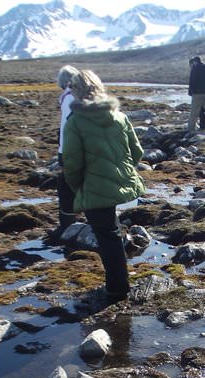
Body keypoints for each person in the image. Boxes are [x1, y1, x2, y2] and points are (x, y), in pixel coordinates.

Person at [62, 69, 145, 303]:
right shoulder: (118, 116)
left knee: (107, 237)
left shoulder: (75, 121)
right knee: (111, 232)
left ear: (76, 91)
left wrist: (78, 186)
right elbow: (136, 151)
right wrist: (121, 172)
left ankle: (117, 289)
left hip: (94, 186)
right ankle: (120, 283)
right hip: (117, 183)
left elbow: (71, 163)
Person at [49, 64, 79, 242]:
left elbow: (68, 127)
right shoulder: (87, 94)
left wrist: (63, 153)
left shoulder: (69, 97)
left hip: (72, 150)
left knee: (65, 186)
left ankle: (67, 227)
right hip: (90, 150)